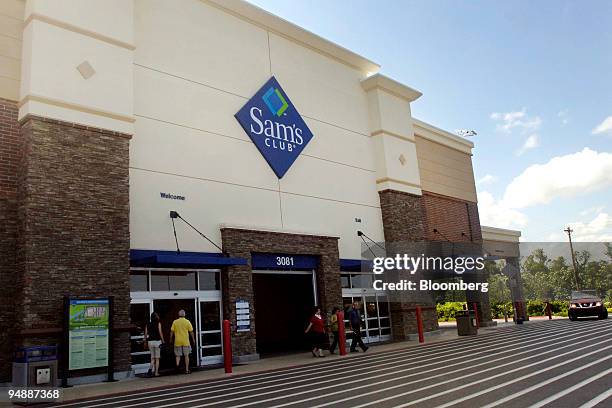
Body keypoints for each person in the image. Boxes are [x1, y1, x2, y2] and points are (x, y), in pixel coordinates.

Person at [170, 309, 196, 374]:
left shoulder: (175, 322)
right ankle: (187, 370)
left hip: (177, 341)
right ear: (184, 315)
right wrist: (193, 339)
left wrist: (170, 339)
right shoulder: (187, 322)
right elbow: (191, 332)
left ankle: (177, 368)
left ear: (178, 315)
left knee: (178, 355)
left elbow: (172, 332)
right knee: (186, 355)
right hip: (185, 341)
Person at [144, 312, 165, 377]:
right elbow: (160, 332)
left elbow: (145, 334)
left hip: (150, 342)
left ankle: (149, 371)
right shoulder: (158, 323)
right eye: (157, 315)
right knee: (157, 358)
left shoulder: (148, 324)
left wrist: (145, 341)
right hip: (157, 342)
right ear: (156, 317)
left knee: (152, 358)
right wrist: (163, 340)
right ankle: (156, 373)